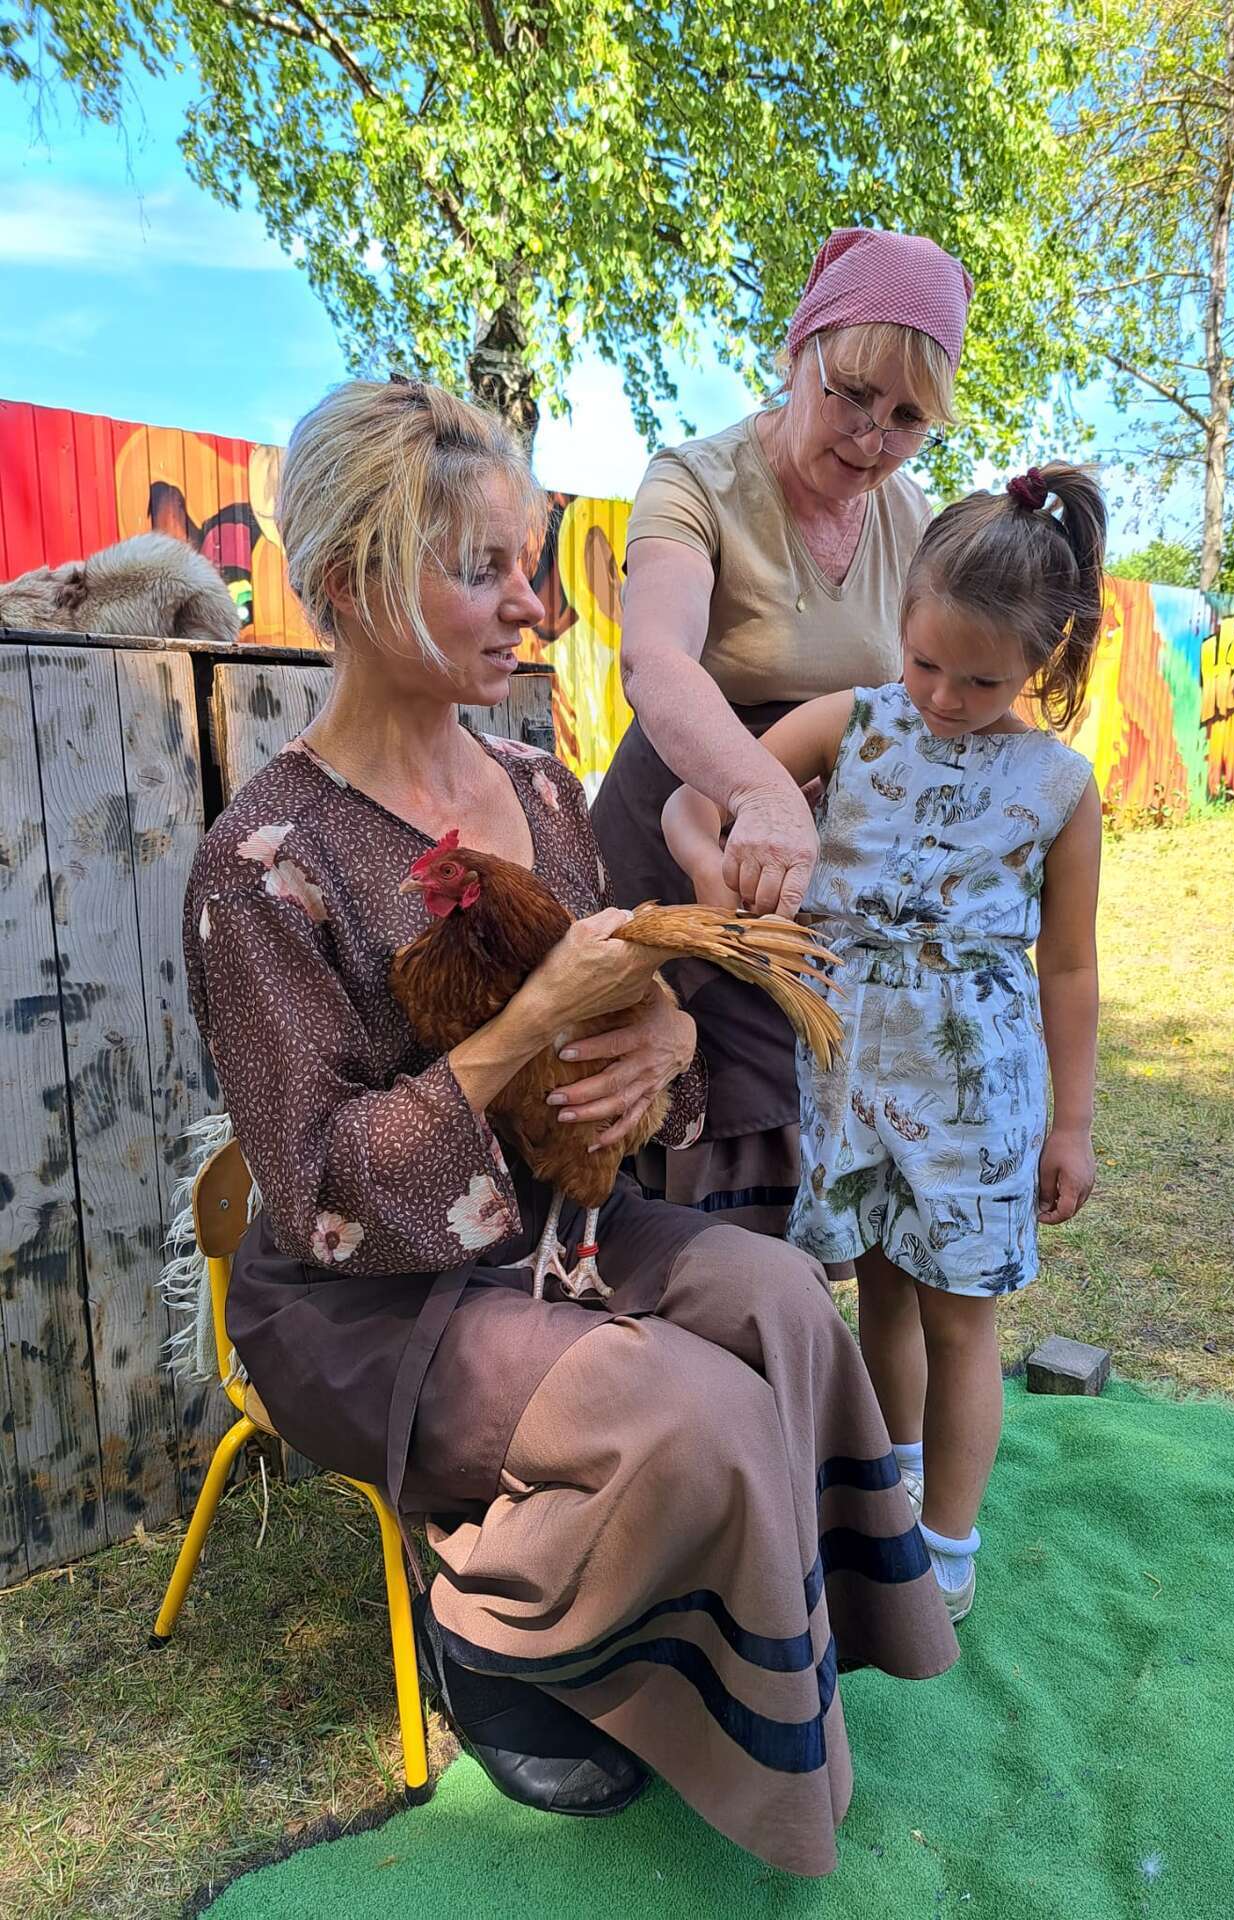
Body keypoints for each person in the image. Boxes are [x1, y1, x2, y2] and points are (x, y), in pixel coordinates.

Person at [182, 376, 957, 1879]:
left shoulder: (541, 787)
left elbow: (629, 1043)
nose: (532, 607)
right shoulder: (264, 860)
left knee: (787, 1304)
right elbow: (325, 1193)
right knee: (689, 1409)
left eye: (526, 567)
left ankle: (758, 1638)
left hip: (552, 1227)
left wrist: (666, 1037)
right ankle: (494, 1627)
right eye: (484, 570)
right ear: (350, 580)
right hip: (365, 1301)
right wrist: (527, 1023)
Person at [663, 463, 1105, 1621]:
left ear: (1043, 662)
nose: (946, 697)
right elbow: (691, 800)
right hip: (849, 1073)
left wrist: (1072, 1125)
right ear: (900, 621)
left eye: (983, 679)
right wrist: (717, 868)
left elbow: (1069, 965)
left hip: (973, 1093)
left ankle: (947, 1546)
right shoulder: (850, 723)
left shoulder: (1060, 786)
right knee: (881, 1289)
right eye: (925, 663)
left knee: (959, 1314)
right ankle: (894, 1483)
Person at [592, 227, 974, 1235]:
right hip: (679, 846)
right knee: (686, 1141)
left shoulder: (911, 518)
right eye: (853, 394)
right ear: (797, 351)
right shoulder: (693, 481)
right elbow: (655, 662)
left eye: (907, 418)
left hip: (814, 884)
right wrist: (761, 791)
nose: (872, 438)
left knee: (810, 1145)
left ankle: (778, 1323)